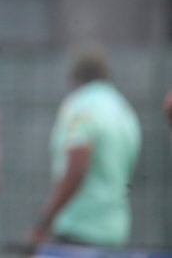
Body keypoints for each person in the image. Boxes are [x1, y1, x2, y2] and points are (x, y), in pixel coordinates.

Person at [29, 47, 141, 250]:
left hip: (79, 228)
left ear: (74, 77)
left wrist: (44, 222)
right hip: (115, 229)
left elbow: (77, 166)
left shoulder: (79, 107)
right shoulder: (124, 110)